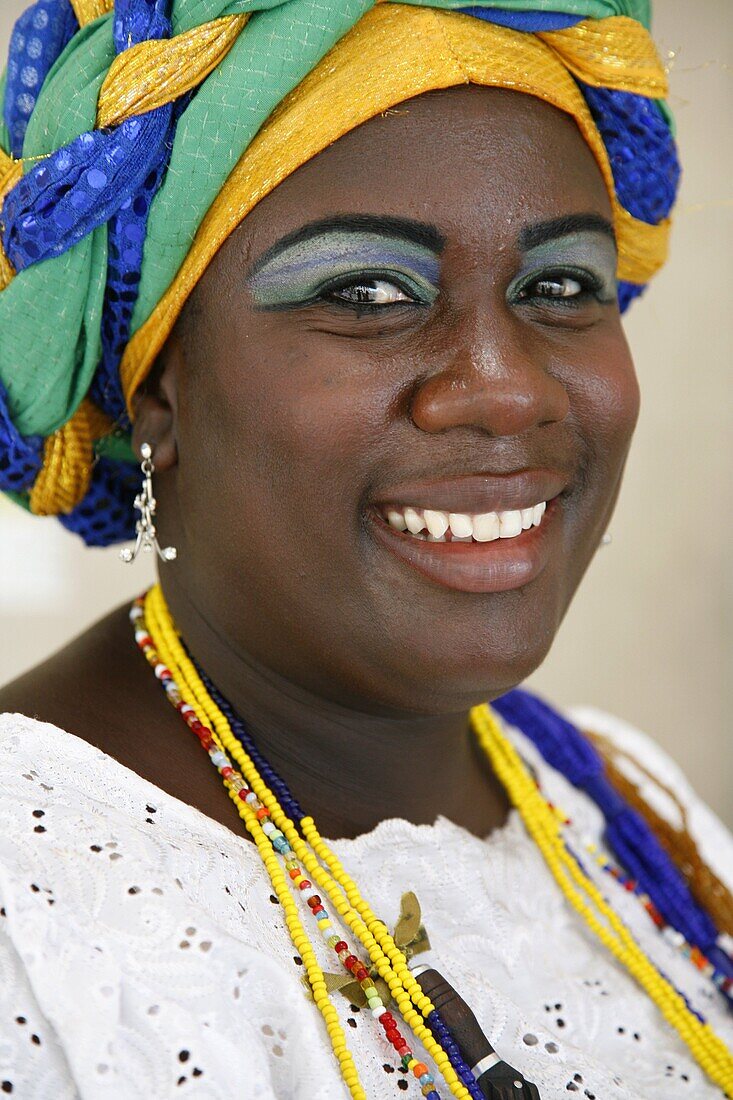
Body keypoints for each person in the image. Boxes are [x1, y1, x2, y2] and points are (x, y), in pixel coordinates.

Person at [0, 1, 731, 1098]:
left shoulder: (617, 797)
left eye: (560, 286)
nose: (505, 387)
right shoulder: (38, 906)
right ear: (158, 386)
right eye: (365, 293)